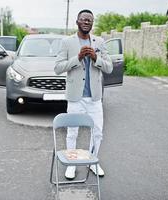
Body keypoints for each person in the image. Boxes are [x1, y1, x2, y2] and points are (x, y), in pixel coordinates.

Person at [54, 9, 113, 179]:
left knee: (98, 132)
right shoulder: (67, 42)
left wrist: (96, 58)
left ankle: (91, 161)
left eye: (90, 20)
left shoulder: (99, 42)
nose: (87, 22)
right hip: (75, 98)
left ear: (92, 23)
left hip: (94, 98)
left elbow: (109, 68)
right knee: (72, 132)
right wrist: (78, 58)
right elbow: (58, 68)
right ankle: (71, 164)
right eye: (83, 19)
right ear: (77, 22)